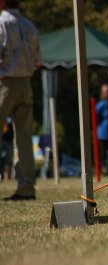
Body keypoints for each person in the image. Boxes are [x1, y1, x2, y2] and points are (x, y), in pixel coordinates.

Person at [0, 0, 41, 200]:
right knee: (24, 137)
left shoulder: (2, 23)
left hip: (5, 82)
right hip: (26, 82)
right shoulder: (30, 25)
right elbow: (37, 61)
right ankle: (26, 187)